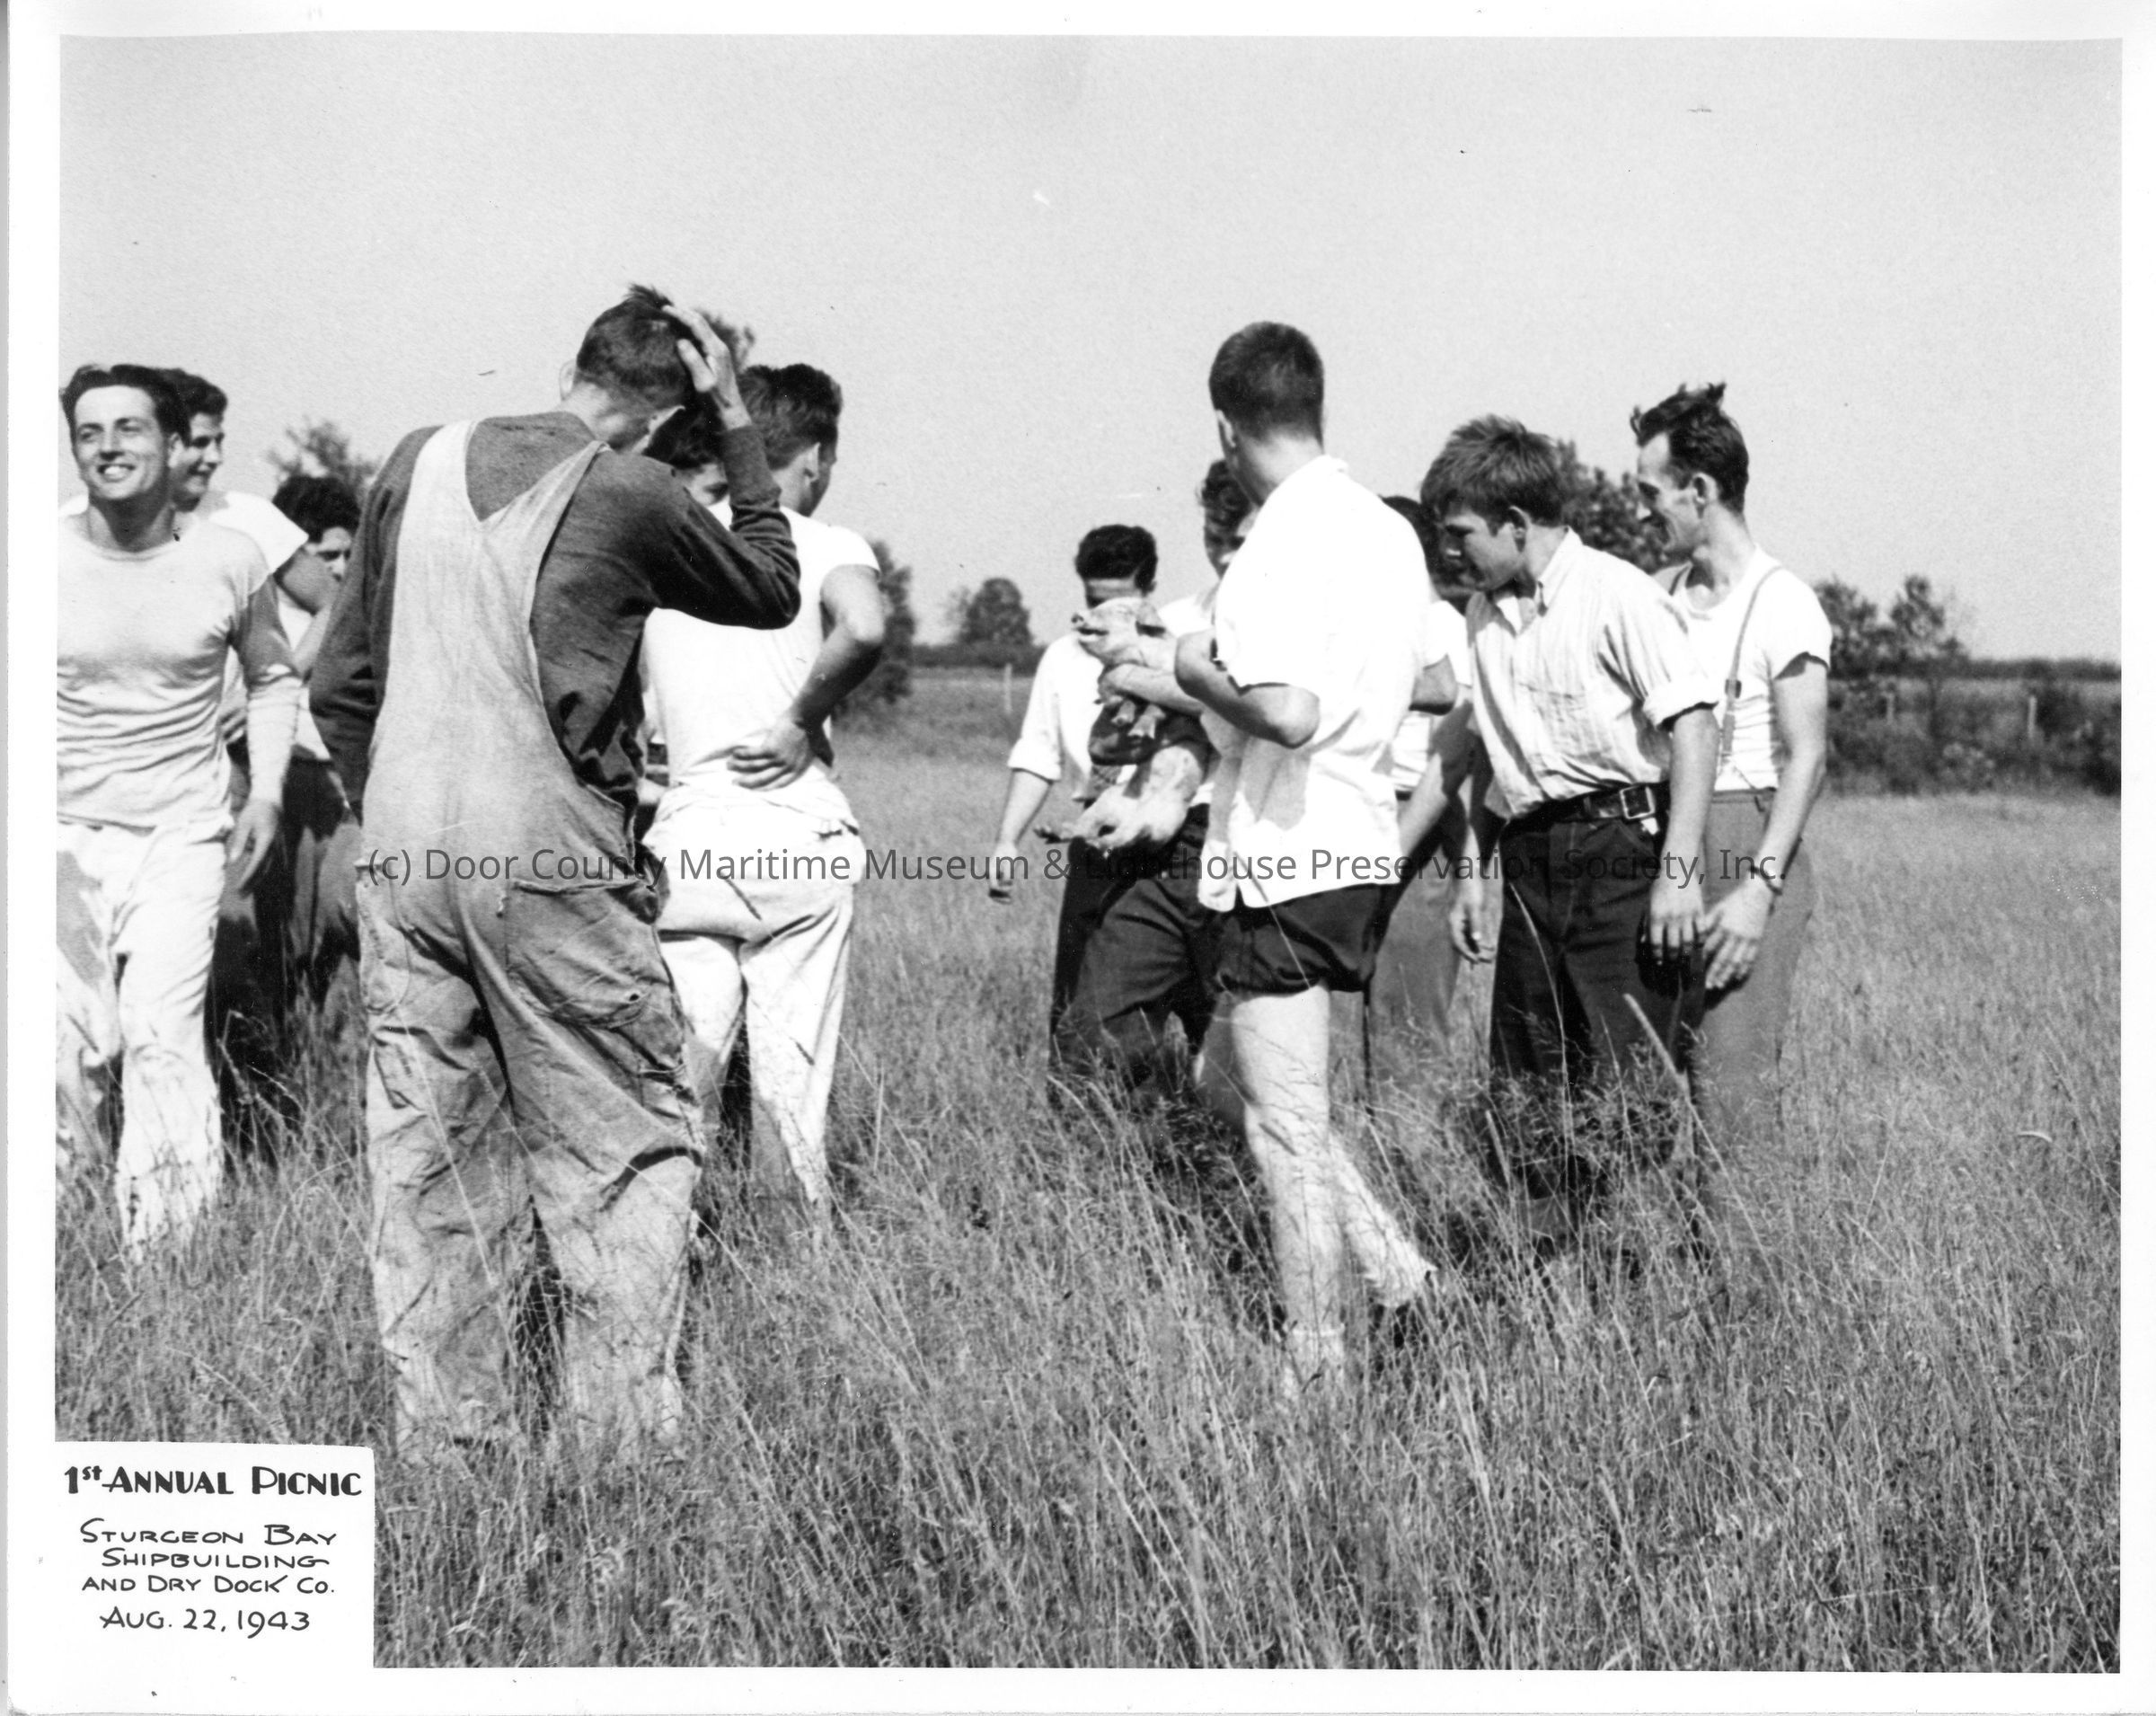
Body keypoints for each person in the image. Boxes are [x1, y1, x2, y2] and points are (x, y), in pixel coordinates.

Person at [311, 286, 800, 1464]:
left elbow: (338, 683)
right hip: (547, 855)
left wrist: (392, 811)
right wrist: (740, 421)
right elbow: (771, 582)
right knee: (618, 1153)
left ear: (579, 364)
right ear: (671, 408)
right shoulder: (632, 488)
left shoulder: (415, 459)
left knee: (431, 1165)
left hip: (405, 852)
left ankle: (447, 1455)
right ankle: (617, 1459)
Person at [1172, 323, 1440, 1392]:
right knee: (1225, 1078)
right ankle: (1398, 1272)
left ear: (1226, 427)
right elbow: (1435, 680)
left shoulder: (1274, 542)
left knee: (1285, 1131)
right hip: (1360, 845)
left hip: (1290, 854)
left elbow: (1286, 711)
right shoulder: (1388, 530)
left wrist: (1195, 671)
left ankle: (1318, 1369)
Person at [1402, 415, 1720, 1260]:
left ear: (1516, 522)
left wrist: (1679, 874)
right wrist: (1475, 873)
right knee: (1531, 1091)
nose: (1451, 550)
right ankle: (1550, 1289)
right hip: (1531, 863)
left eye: (1461, 532)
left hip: (1623, 857)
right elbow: (1492, 757)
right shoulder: (1481, 615)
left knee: (1627, 1096)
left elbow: (1695, 729)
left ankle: (1648, 1283)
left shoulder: (1617, 594)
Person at [56, 363, 299, 1254]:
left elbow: (274, 677)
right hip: (59, 837)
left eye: (128, 429)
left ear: (170, 443)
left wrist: (265, 792)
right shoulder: (35, 556)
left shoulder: (228, 557)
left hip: (181, 836)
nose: (108, 447)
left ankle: (167, 1256)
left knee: (161, 1034)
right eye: (89, 432)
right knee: (63, 1049)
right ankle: (51, 1240)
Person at [641, 362, 887, 1234]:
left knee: (681, 1085)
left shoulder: (665, 548)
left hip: (688, 843)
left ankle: (664, 1252)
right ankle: (793, 1264)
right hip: (796, 839)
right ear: (813, 455)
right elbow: (864, 625)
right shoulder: (825, 542)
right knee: (791, 1089)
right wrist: (799, 720)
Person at [1631, 382, 1830, 1263]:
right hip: (1661, 837)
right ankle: (1660, 1282)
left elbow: (1807, 757)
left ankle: (1751, 1305)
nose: (1645, 511)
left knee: (1732, 1092)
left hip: (1745, 838)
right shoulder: (1656, 595)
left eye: (1652, 493)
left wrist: (1756, 893)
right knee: (1649, 1080)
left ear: (1700, 490)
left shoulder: (1783, 600)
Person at [1055, 464, 1261, 1104]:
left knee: (1235, 1045)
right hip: (1169, 840)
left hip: (1253, 842)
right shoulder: (1178, 617)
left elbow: (1249, 704)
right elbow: (1117, 723)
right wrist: (1141, 682)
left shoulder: (1290, 620)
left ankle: (1219, 1151)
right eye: (1213, 538)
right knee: (1099, 1027)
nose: (1224, 556)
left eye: (1240, 541)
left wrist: (1148, 677)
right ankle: (1110, 1152)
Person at [1364, 495, 1473, 1065]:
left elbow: (1448, 767)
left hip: (1418, 829)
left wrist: (1390, 853)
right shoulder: (1372, 629)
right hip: (1358, 818)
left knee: (1406, 1014)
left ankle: (1413, 1124)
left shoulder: (1448, 631)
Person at [258, 473, 366, 1043]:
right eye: (327, 556)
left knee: (339, 937)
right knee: (287, 935)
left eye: (349, 554)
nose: (341, 569)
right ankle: (284, 1054)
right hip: (292, 783)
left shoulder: (356, 618)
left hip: (345, 789)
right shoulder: (267, 618)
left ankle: (330, 1055)